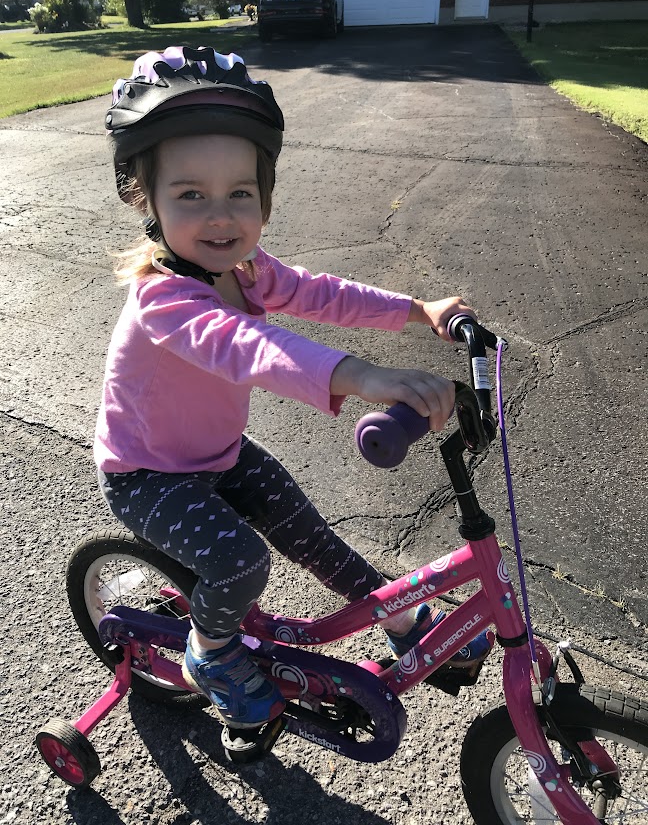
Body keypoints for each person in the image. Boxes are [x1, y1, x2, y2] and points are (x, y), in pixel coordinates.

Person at [95, 45, 491, 731]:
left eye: (240, 194)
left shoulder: (247, 269)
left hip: (218, 453)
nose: (220, 217)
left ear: (264, 197)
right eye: (190, 195)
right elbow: (249, 348)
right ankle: (210, 654)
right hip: (147, 474)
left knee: (312, 536)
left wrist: (418, 310)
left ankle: (399, 618)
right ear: (145, 199)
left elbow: (322, 293)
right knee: (240, 563)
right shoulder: (165, 299)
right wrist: (363, 376)